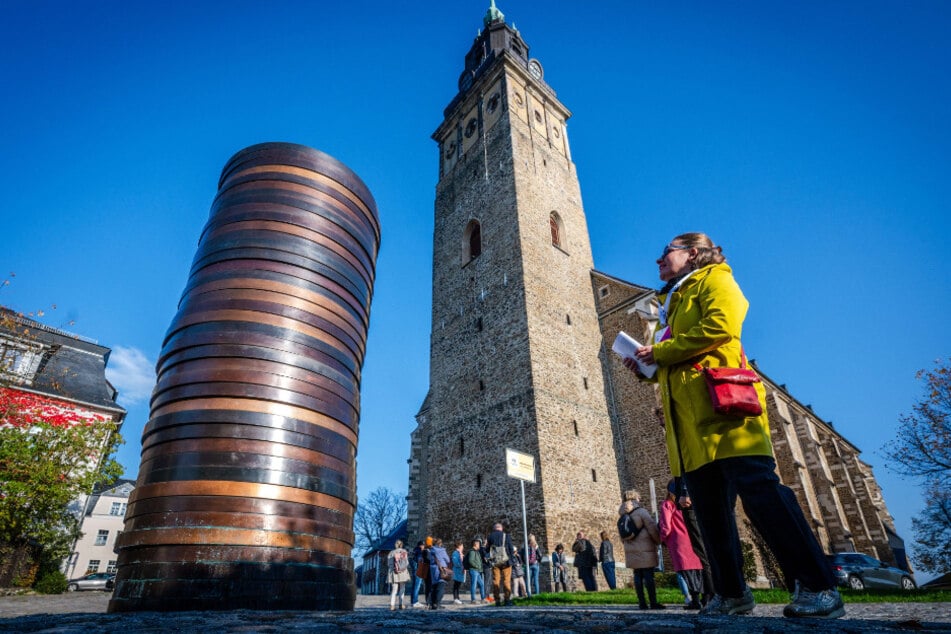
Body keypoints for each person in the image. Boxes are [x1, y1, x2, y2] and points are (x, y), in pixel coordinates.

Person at [627, 232, 844, 619]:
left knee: (763, 499)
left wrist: (658, 352)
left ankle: (818, 586)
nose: (658, 260)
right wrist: (645, 367)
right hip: (690, 430)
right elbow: (673, 363)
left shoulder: (715, 279)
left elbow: (720, 328)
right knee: (710, 515)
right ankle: (731, 594)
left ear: (693, 253)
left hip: (728, 414)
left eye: (666, 252)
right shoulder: (670, 304)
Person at [658, 481, 704, 610]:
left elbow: (666, 526)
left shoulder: (668, 505)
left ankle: (690, 599)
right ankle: (700, 599)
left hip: (677, 541)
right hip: (691, 538)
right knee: (695, 570)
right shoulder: (686, 504)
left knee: (682, 571)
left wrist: (662, 538)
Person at [618, 490, 664, 610]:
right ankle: (653, 602)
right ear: (634, 498)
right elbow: (652, 528)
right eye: (638, 497)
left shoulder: (622, 515)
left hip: (631, 549)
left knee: (637, 576)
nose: (640, 499)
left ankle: (642, 603)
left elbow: (622, 535)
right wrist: (658, 541)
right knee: (649, 576)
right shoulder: (641, 512)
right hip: (645, 548)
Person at [672, 479, 714, 605]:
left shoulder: (668, 505)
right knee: (704, 558)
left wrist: (685, 492)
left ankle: (713, 595)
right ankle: (712, 595)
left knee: (704, 557)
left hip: (691, 501)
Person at [485, 522, 516, 606]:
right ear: (501, 528)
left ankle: (497, 600)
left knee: (496, 581)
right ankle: (507, 600)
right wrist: (512, 559)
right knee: (506, 581)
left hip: (495, 562)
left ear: (494, 528)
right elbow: (510, 548)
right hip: (506, 561)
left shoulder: (490, 536)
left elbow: (487, 550)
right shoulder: (506, 536)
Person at [387, 539, 411, 610]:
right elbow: (407, 563)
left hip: (394, 572)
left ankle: (392, 605)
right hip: (403, 572)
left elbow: (389, 564)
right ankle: (401, 604)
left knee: (394, 590)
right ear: (402, 544)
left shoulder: (391, 553)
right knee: (402, 589)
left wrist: (393, 568)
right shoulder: (404, 552)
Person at [428, 537, 450, 609]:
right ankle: (437, 603)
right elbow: (448, 560)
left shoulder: (431, 550)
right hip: (441, 569)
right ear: (440, 544)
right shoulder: (442, 550)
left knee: (434, 587)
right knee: (441, 586)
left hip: (433, 569)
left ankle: (432, 603)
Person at [466, 538, 487, 603]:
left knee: (481, 584)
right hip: (474, 570)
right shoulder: (472, 552)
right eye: (478, 544)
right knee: (474, 585)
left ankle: (483, 598)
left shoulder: (476, 551)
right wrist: (477, 566)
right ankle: (473, 599)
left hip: (477, 571)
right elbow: (471, 561)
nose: (479, 545)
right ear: (475, 544)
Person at [410, 540, 425, 607]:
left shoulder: (415, 551)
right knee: (417, 586)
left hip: (415, 570)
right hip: (418, 571)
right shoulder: (419, 552)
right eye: (423, 545)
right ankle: (415, 601)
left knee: (414, 586)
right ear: (421, 546)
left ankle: (413, 601)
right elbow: (420, 561)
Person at [450, 540, 466, 604]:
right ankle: (455, 598)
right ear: (459, 546)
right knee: (456, 585)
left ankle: (457, 597)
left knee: (458, 585)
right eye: (462, 546)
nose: (463, 547)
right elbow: (455, 562)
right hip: (457, 571)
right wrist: (460, 566)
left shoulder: (460, 553)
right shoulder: (455, 553)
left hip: (460, 571)